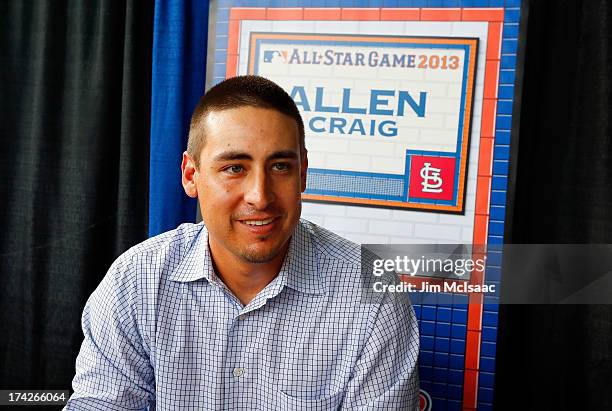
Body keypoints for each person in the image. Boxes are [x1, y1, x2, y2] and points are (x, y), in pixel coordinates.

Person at [65, 75, 419, 410]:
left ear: (304, 173)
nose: (260, 196)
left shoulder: (374, 294)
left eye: (280, 166)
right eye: (235, 167)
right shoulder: (137, 280)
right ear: (192, 176)